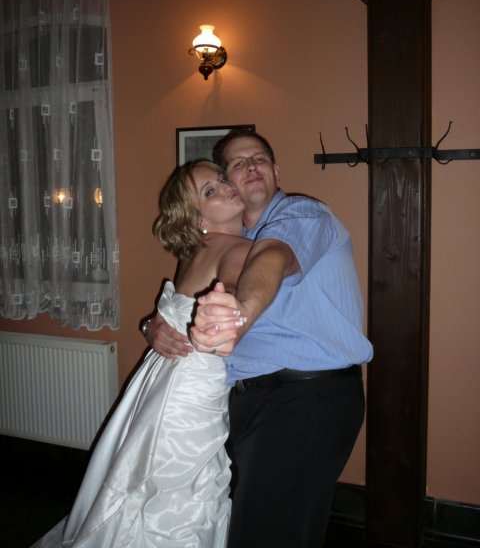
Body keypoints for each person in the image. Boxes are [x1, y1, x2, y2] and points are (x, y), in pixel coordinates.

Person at [146, 128, 374, 548]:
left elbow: (274, 258)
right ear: (229, 182)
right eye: (237, 163)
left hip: (306, 398)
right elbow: (186, 299)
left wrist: (239, 316)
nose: (251, 166)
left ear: (276, 171)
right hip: (238, 401)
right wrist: (154, 325)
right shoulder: (228, 242)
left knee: (267, 531)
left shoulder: (303, 215)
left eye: (260, 159)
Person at [32, 160, 251, 548]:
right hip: (191, 390)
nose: (225, 186)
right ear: (198, 218)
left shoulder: (194, 252)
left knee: (150, 477)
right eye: (210, 191)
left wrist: (153, 326)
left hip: (161, 379)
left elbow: (170, 313)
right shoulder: (238, 249)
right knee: (180, 484)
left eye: (220, 179)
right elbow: (230, 288)